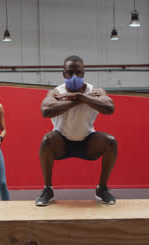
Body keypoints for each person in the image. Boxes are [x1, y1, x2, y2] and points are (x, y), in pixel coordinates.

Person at [35, 55, 118, 206]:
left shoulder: (96, 90)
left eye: (78, 72)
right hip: (61, 142)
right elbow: (45, 110)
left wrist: (79, 96)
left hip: (87, 141)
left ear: (83, 73)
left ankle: (102, 189)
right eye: (69, 72)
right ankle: (48, 189)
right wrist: (78, 100)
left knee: (110, 142)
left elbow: (109, 108)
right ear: (63, 74)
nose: (74, 76)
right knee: (47, 140)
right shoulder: (55, 92)